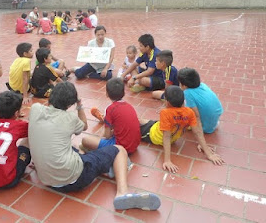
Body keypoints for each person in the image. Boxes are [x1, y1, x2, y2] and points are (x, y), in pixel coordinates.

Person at [28, 82, 161, 210]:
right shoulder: (70, 119)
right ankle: (123, 192)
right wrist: (79, 106)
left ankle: (106, 166)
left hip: (45, 179)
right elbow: (84, 125)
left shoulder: (35, 109)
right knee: (119, 150)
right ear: (70, 104)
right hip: (73, 179)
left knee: (74, 147)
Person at [140, 86, 224, 173]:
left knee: (136, 126)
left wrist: (167, 160)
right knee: (142, 121)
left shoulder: (165, 113)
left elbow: (166, 137)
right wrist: (208, 153)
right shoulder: (189, 112)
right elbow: (197, 132)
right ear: (183, 101)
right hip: (162, 127)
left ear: (167, 102)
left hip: (154, 135)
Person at [81, 78, 140, 154]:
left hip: (121, 148)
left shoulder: (110, 109)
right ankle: (103, 119)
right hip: (134, 146)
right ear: (124, 93)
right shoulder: (129, 106)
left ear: (107, 94)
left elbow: (107, 135)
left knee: (85, 141)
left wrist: (102, 135)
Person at [178, 67, 223, 134]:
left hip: (206, 128)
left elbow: (196, 115)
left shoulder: (187, 93)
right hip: (215, 119)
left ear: (184, 86)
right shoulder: (202, 85)